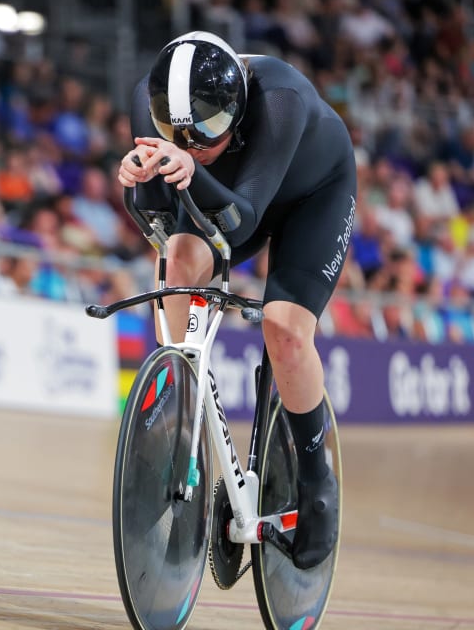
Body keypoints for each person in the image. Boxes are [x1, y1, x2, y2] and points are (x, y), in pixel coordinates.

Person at [118, 31, 355, 569]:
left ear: (236, 110)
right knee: (178, 263)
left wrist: (191, 170)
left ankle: (317, 482)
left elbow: (243, 218)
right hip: (221, 189)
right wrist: (138, 181)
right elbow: (158, 218)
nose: (191, 144)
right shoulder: (150, 98)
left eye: (207, 135)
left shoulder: (280, 100)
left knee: (285, 330)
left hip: (307, 197)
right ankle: (182, 423)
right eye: (178, 136)